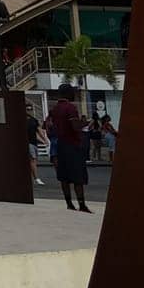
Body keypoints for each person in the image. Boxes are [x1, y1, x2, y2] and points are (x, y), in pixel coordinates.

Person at [48, 84, 92, 212]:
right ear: (68, 93)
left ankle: (69, 203)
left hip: (60, 144)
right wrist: (85, 123)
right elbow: (75, 126)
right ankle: (82, 204)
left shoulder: (55, 109)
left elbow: (50, 126)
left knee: (64, 176)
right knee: (78, 176)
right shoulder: (71, 108)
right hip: (72, 144)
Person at [27, 111, 47, 185]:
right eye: (27, 109)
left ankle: (35, 178)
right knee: (33, 160)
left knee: (33, 160)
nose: (29, 110)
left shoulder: (34, 120)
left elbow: (37, 131)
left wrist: (44, 140)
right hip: (29, 143)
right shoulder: (23, 120)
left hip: (33, 142)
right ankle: (36, 178)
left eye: (30, 109)